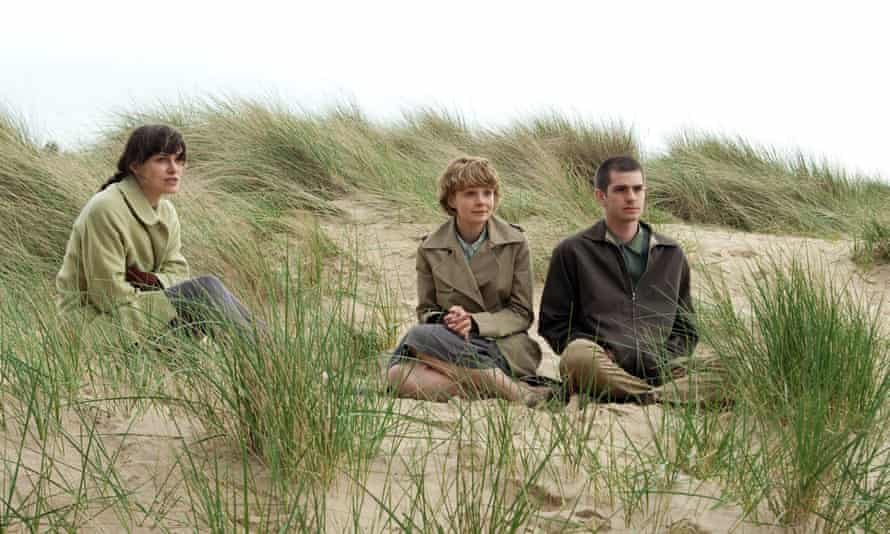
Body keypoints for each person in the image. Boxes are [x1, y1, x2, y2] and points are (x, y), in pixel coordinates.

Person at [539, 156, 722, 403]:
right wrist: (599, 347)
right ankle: (660, 397)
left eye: (638, 189)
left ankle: (646, 395)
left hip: (662, 370)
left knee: (734, 367)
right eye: (621, 189)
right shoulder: (572, 251)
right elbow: (553, 324)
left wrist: (665, 358)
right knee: (577, 357)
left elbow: (686, 328)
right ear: (600, 197)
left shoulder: (671, 253)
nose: (631, 197)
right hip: (604, 365)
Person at [56, 124, 259, 343]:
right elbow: (108, 297)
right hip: (94, 325)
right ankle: (263, 361)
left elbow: (179, 272)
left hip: (138, 310)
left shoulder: (167, 212)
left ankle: (271, 356)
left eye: (179, 160)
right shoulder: (106, 208)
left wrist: (151, 281)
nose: (174, 169)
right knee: (205, 290)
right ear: (135, 166)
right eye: (162, 160)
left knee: (211, 295)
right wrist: (162, 294)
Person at [386, 157, 551, 406]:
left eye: (488, 193)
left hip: (503, 344)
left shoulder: (515, 242)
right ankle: (510, 390)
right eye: (470, 193)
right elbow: (427, 310)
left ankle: (513, 393)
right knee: (397, 375)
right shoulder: (430, 247)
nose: (482, 201)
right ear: (452, 199)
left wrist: (474, 323)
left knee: (418, 338)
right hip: (449, 340)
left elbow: (521, 313)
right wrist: (449, 320)